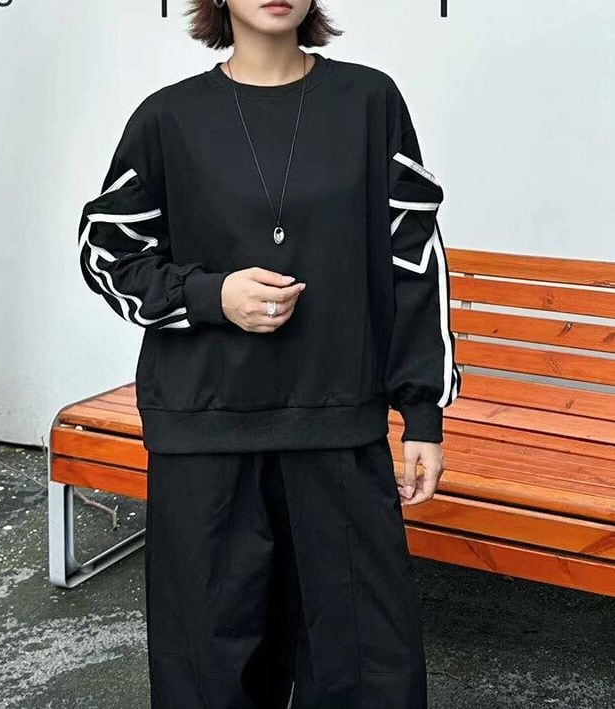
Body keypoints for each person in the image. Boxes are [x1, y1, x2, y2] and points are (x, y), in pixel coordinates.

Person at [78, 1, 462, 706]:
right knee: (207, 671)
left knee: (365, 666)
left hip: (337, 428)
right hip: (205, 431)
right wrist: (210, 295)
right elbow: (108, 252)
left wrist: (422, 413)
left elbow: (414, 262)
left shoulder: (369, 102)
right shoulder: (168, 118)